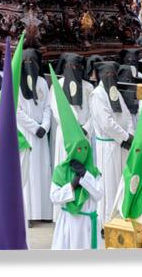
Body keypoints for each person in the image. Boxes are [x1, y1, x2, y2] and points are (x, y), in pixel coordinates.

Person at [49, 66, 103, 250]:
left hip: (87, 227)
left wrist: (85, 177)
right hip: (68, 224)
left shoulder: (94, 171)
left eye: (84, 149)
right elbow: (54, 196)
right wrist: (72, 184)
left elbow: (98, 194)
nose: (81, 152)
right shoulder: (61, 170)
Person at [49, 53, 94, 223]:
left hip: (83, 136)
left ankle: (82, 203)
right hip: (66, 136)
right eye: (69, 67)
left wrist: (85, 129)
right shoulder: (58, 86)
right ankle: (60, 209)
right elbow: (56, 110)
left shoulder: (88, 88)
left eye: (76, 67)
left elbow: (92, 114)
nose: (73, 70)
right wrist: (72, 130)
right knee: (64, 168)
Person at [89, 61, 134, 223]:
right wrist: (124, 136)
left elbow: (127, 115)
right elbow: (106, 123)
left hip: (122, 145)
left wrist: (130, 134)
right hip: (107, 146)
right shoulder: (98, 94)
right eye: (107, 74)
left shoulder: (114, 92)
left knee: (120, 182)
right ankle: (106, 221)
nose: (111, 77)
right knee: (108, 183)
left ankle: (119, 217)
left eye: (113, 74)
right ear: (100, 75)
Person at [15, 49, 53, 223]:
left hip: (41, 134)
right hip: (26, 134)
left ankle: (43, 212)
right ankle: (27, 214)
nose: (29, 65)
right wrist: (33, 127)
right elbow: (17, 110)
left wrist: (44, 126)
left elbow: (47, 106)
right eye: (26, 62)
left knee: (42, 171)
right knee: (27, 173)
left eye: (33, 61)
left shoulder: (42, 83)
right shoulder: (16, 83)